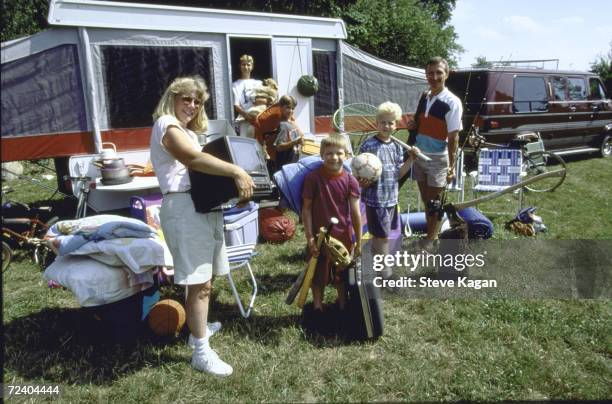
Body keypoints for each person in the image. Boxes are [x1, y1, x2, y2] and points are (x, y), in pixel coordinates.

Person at [150, 76, 255, 376]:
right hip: (184, 208)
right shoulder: (166, 124)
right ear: (173, 97)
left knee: (203, 278)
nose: (192, 106)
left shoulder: (186, 131)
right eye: (187, 99)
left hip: (201, 206)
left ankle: (199, 325)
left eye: (197, 102)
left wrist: (232, 191)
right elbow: (193, 160)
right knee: (200, 283)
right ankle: (201, 350)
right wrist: (236, 170)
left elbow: (202, 169)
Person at [302, 134, 362, 312]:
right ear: (321, 155)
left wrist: (358, 240)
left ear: (347, 156)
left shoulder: (351, 181)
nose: (334, 157)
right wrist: (309, 237)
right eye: (328, 153)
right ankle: (318, 307)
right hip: (319, 236)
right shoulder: (313, 178)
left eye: (339, 153)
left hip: (342, 235)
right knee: (317, 272)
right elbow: (306, 209)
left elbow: (355, 212)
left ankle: (342, 304)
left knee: (341, 273)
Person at [407, 57, 463, 246]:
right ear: (426, 74)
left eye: (439, 72)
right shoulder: (425, 96)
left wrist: (452, 166)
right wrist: (414, 124)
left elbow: (454, 136)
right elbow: (421, 123)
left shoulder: (452, 102)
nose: (434, 76)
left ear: (446, 74)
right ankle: (432, 235)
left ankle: (430, 241)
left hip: (438, 159)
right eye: (430, 72)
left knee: (435, 203)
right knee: (426, 200)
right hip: (418, 154)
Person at [358, 102, 417, 277]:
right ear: (377, 123)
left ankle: (375, 265)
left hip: (392, 199)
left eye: (391, 123)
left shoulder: (397, 146)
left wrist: (411, 159)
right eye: (383, 122)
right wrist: (363, 182)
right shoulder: (369, 146)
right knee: (381, 236)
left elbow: (399, 174)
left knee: (382, 235)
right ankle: (386, 273)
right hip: (375, 200)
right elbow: (359, 174)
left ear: (396, 124)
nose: (387, 126)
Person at [246, 95, 304, 174]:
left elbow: (292, 125)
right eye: (288, 107)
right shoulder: (274, 116)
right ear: (280, 107)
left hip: (271, 130)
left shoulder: (286, 115)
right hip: (256, 129)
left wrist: (299, 136)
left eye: (292, 108)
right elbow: (258, 125)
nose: (290, 110)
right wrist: (263, 146)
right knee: (260, 158)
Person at [232, 54, 262, 136]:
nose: (246, 67)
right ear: (240, 66)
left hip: (258, 118)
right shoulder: (235, 84)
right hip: (244, 120)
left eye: (248, 65)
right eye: (243, 64)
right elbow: (236, 105)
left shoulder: (258, 83)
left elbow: (264, 101)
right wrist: (248, 117)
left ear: (252, 67)